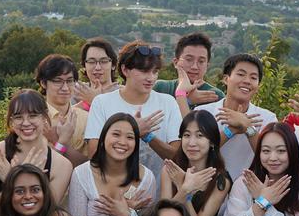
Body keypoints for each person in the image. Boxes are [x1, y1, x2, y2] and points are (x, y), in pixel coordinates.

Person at [69, 113, 157, 216]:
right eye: (116, 134)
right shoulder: (81, 174)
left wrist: (126, 215)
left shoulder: (146, 178)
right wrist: (121, 213)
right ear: (103, 138)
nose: (122, 142)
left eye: (130, 137)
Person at [84, 40, 182, 182]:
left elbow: (177, 157)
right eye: (143, 71)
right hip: (112, 193)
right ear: (125, 70)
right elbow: (93, 156)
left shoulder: (168, 102)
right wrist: (132, 131)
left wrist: (148, 136)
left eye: (155, 71)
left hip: (159, 196)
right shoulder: (102, 103)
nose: (151, 78)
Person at [0, 90, 73, 216]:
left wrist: (13, 180)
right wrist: (12, 184)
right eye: (19, 117)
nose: (26, 123)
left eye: (33, 116)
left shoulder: (61, 165)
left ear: (45, 118)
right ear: (11, 121)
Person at [159, 110, 232, 216]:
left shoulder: (220, 179)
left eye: (200, 136)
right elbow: (162, 215)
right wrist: (185, 189)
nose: (192, 142)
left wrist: (184, 191)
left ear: (212, 141)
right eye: (186, 135)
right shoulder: (170, 170)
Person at [197, 52, 275, 180]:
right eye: (241, 74)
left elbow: (270, 160)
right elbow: (198, 152)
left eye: (253, 78)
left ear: (258, 86)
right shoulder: (203, 113)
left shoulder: (268, 118)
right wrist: (231, 130)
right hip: (206, 187)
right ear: (226, 79)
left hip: (247, 191)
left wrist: (248, 128)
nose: (247, 81)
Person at [37, 53, 90, 166]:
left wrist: (57, 141)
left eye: (70, 81)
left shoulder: (86, 118)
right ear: (43, 83)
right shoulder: (35, 117)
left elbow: (89, 163)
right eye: (58, 81)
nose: (65, 88)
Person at [154, 31, 223, 115]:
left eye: (201, 61)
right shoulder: (161, 88)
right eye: (189, 60)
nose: (194, 66)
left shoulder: (214, 96)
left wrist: (186, 101)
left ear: (207, 66)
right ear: (176, 62)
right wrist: (186, 99)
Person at [74, 37, 118, 112]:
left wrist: (94, 101)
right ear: (84, 65)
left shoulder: (124, 94)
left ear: (113, 65)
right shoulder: (76, 93)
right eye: (91, 62)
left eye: (103, 61)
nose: (97, 67)